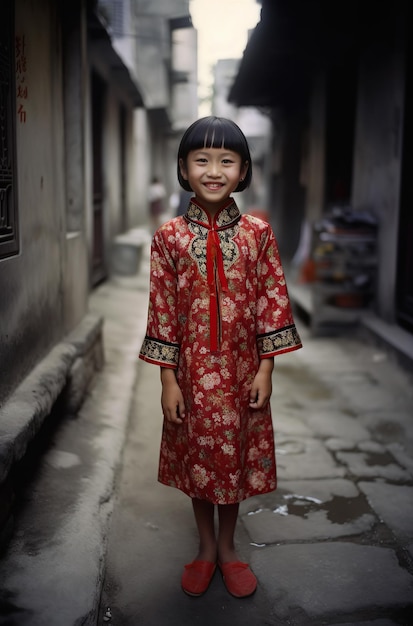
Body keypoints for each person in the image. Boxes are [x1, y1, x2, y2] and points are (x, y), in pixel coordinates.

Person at [139, 116, 302, 598]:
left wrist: (266, 367)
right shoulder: (168, 238)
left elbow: (273, 298)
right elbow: (162, 311)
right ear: (183, 169)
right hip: (190, 376)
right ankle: (205, 547)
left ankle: (229, 548)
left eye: (226, 160)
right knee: (199, 463)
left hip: (240, 374)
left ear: (244, 170)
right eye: (202, 160)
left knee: (230, 461)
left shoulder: (258, 233)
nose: (214, 170)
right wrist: (168, 381)